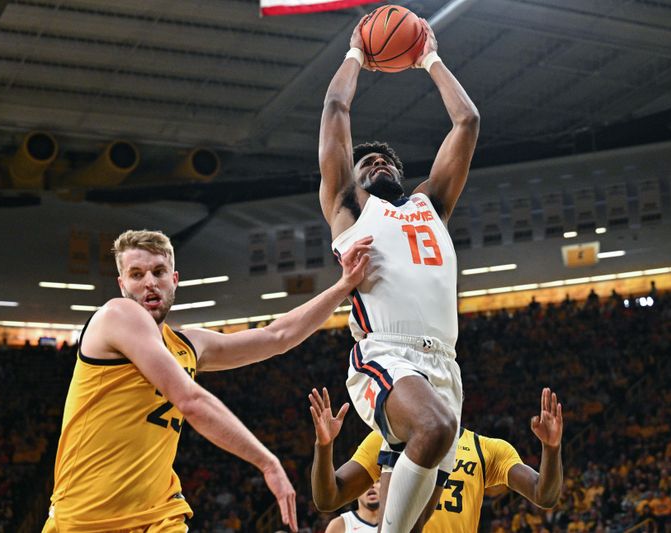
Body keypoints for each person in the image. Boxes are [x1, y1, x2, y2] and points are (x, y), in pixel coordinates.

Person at [43, 229, 372, 533]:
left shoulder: (188, 345)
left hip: (159, 516)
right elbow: (191, 401)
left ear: (174, 280)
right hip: (87, 517)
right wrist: (267, 462)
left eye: (158, 272)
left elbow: (277, 336)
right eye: (136, 274)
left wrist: (342, 286)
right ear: (122, 285)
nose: (149, 283)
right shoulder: (116, 315)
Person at [318, 15, 479, 532]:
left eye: (386, 161)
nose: (378, 164)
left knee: (415, 516)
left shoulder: (429, 204)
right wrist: (356, 56)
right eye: (366, 163)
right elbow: (336, 109)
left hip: (444, 366)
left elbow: (467, 122)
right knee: (434, 428)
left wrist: (430, 58)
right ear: (352, 180)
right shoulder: (348, 208)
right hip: (384, 353)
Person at [308, 387, 563, 532]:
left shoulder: (486, 448)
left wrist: (551, 449)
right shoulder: (386, 439)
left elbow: (545, 495)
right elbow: (327, 498)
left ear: (458, 395)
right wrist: (324, 445)